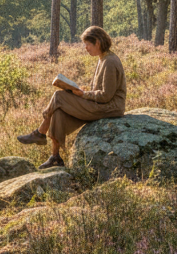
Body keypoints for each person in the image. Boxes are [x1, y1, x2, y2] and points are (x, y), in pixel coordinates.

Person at [17, 26, 125, 169]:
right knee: (59, 111)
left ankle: (40, 132)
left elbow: (106, 96)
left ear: (97, 43)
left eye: (87, 44)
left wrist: (84, 95)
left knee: (59, 96)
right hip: (101, 105)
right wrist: (80, 90)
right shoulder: (103, 59)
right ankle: (55, 157)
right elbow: (100, 90)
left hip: (110, 108)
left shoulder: (110, 62)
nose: (85, 48)